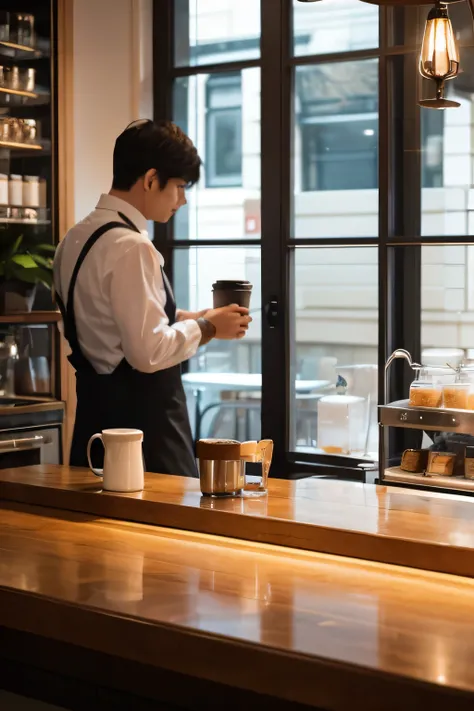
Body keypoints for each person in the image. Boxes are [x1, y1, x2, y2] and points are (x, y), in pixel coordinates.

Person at [54, 119, 252, 477]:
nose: (183, 198)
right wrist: (207, 328)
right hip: (144, 438)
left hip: (94, 429)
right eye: (178, 186)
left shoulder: (74, 239)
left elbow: (113, 324)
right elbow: (147, 353)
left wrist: (195, 316)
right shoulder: (132, 247)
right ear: (149, 180)